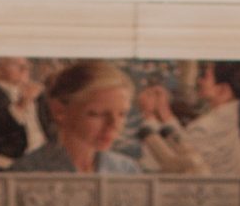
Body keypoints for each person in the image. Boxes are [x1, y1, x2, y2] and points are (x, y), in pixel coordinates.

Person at [12, 61, 142, 174]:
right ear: (59, 111)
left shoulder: (127, 171)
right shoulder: (28, 172)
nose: (113, 124)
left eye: (122, 114)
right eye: (97, 114)